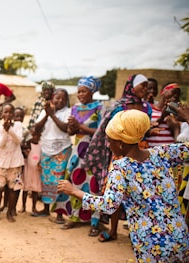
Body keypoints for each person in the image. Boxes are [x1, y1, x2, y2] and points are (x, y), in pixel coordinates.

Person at [58, 109, 189, 263]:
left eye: (109, 141)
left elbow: (108, 205)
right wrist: (187, 117)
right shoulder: (161, 153)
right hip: (179, 238)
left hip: (153, 247)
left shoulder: (121, 168)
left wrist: (75, 191)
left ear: (118, 142)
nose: (107, 144)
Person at [82, 74, 152, 242]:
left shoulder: (147, 107)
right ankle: (113, 230)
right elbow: (108, 130)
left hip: (142, 152)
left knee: (140, 193)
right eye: (142, 85)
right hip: (120, 153)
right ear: (132, 86)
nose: (145, 89)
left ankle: (140, 234)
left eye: (147, 87)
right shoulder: (119, 107)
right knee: (115, 193)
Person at [54, 76, 104, 236]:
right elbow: (70, 131)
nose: (80, 94)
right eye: (78, 91)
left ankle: (95, 221)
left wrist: (80, 126)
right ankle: (74, 217)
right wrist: (72, 127)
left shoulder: (100, 108)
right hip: (78, 150)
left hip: (95, 151)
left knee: (94, 184)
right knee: (75, 181)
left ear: (92, 91)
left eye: (83, 91)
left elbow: (102, 132)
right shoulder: (75, 108)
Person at [31, 88, 72, 222]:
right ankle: (46, 209)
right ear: (52, 98)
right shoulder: (45, 111)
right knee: (46, 180)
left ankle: (59, 213)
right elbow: (36, 128)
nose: (60, 100)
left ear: (67, 101)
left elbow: (66, 128)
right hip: (46, 149)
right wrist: (47, 114)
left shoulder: (68, 112)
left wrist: (53, 115)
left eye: (63, 99)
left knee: (60, 181)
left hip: (62, 150)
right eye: (57, 98)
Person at [0, 104, 25, 222]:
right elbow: (1, 144)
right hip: (1, 162)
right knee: (0, 188)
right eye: (5, 112)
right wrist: (5, 131)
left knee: (12, 189)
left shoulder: (18, 125)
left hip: (15, 162)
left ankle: (9, 212)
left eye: (10, 112)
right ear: (1, 114)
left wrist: (10, 130)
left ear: (14, 114)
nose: (8, 115)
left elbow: (18, 140)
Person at [20, 127, 42, 215]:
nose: (34, 137)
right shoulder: (27, 145)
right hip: (28, 170)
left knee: (35, 190)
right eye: (33, 135)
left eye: (37, 135)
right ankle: (23, 206)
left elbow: (42, 156)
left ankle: (34, 207)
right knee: (25, 189)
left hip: (36, 171)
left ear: (40, 136)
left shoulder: (41, 145)